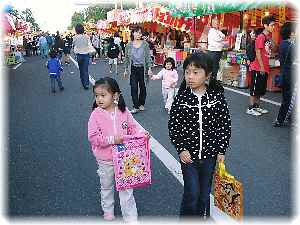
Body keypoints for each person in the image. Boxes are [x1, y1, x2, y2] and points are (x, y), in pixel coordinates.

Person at [168, 51, 231, 219]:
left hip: (210, 156)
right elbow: (174, 127)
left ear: (208, 75)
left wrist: (221, 150)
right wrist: (181, 149)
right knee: (192, 194)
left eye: (196, 72)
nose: (190, 76)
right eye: (187, 72)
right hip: (189, 158)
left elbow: (224, 125)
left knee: (204, 196)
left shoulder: (217, 97)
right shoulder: (181, 98)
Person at [87, 77, 149, 222]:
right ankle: (108, 210)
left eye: (103, 95)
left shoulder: (124, 111)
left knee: (127, 189)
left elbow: (134, 127)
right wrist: (112, 140)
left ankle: (131, 217)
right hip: (105, 159)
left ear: (115, 95)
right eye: (97, 96)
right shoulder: (95, 114)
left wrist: (142, 133)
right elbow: (93, 137)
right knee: (107, 186)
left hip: (125, 158)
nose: (99, 99)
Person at [246, 15, 275, 116]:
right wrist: (262, 67)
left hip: (264, 67)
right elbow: (258, 52)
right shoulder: (261, 37)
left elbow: (273, 48)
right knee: (254, 89)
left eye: (273, 25)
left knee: (260, 89)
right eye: (271, 25)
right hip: (258, 67)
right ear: (265, 25)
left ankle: (256, 106)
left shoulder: (268, 37)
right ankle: (250, 108)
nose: (273, 27)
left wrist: (271, 40)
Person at [124, 26, 153, 114]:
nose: (138, 34)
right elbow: (126, 58)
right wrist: (125, 69)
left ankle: (141, 103)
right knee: (134, 87)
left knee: (143, 86)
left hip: (142, 68)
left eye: (140, 33)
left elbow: (148, 57)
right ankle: (135, 106)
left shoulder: (145, 44)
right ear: (133, 33)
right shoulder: (128, 45)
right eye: (136, 32)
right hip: (133, 68)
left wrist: (149, 68)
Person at [273, 22, 296, 127]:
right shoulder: (291, 46)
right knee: (289, 98)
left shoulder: (283, 44)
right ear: (291, 33)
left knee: (287, 97)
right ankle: (280, 119)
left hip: (284, 73)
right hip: (290, 74)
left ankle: (287, 117)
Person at [72, 23, 93, 90]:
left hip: (79, 55)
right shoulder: (87, 37)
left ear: (76, 30)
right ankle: (86, 84)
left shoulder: (74, 37)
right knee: (85, 70)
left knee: (81, 69)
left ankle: (82, 81)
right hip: (86, 55)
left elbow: (74, 45)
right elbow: (89, 45)